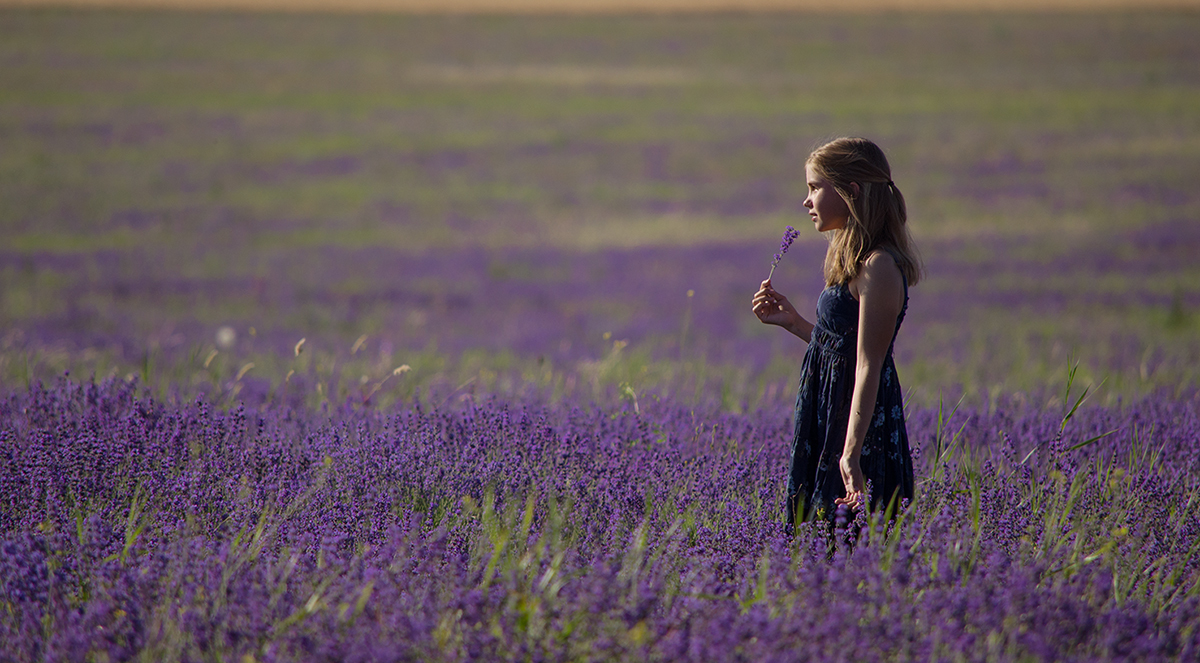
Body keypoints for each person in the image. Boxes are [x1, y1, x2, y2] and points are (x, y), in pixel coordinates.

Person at [752, 137, 921, 527]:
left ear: (851, 192)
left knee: (852, 538)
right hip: (829, 414)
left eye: (814, 187)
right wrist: (793, 322)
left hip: (854, 424)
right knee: (820, 538)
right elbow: (843, 351)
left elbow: (868, 365)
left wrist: (851, 453)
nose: (806, 201)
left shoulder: (879, 266)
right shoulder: (853, 258)